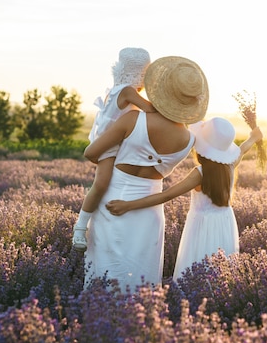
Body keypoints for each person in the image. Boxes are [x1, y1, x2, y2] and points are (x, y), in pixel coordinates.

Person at [82, 55, 209, 291]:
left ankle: (96, 318)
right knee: (141, 275)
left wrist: (112, 154)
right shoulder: (189, 139)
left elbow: (91, 152)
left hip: (114, 200)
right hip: (150, 212)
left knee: (104, 269)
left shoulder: (133, 118)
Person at [106, 117, 263, 281]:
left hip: (202, 225)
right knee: (221, 271)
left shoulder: (201, 173)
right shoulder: (229, 166)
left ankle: (194, 302)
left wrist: (128, 205)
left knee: (198, 264)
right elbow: (242, 150)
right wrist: (254, 137)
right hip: (225, 223)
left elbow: (167, 195)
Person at [72, 47, 156, 251]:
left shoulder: (119, 87)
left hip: (113, 139)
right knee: (101, 183)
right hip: (108, 143)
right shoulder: (127, 90)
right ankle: (80, 227)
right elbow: (150, 109)